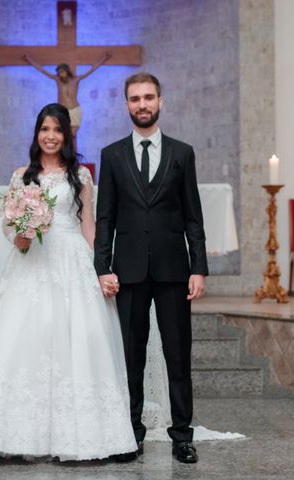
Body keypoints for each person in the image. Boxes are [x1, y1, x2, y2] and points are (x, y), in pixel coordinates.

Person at [0, 103, 137, 461]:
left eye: (57, 130)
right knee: (26, 338)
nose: (50, 136)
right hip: (32, 262)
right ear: (36, 134)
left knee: (77, 339)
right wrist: (18, 236)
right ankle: (12, 433)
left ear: (66, 135)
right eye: (44, 129)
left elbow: (88, 226)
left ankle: (87, 434)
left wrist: (102, 268)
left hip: (71, 261)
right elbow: (8, 224)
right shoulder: (22, 175)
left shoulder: (80, 176)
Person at [94, 72, 208, 464]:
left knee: (178, 355)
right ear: (126, 105)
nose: (142, 105)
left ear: (161, 101)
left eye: (148, 97)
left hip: (174, 269)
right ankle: (131, 432)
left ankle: (182, 436)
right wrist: (101, 267)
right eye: (134, 99)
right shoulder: (111, 155)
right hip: (126, 271)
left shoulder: (182, 153)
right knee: (131, 356)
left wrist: (199, 268)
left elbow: (193, 215)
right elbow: (104, 217)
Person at [23, 52, 111, 141]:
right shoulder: (58, 80)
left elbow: (91, 70)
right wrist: (30, 60)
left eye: (62, 72)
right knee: (61, 134)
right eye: (59, 72)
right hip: (62, 111)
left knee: (72, 135)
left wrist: (103, 59)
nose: (60, 74)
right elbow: (42, 70)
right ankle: (63, 153)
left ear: (67, 71)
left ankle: (70, 153)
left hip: (75, 109)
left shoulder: (76, 80)